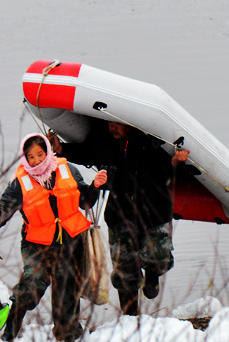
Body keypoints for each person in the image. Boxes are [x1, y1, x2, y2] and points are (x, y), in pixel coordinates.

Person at [48, 120, 189, 316]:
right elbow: (85, 152)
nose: (112, 127)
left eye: (117, 124)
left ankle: (152, 275)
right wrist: (61, 148)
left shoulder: (151, 142)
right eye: (110, 123)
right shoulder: (104, 143)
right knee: (124, 272)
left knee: (159, 260)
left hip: (153, 213)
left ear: (130, 123)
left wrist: (176, 161)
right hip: (120, 215)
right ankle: (130, 315)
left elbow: (168, 169)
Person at [0, 133, 107, 342]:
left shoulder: (68, 170)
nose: (37, 160)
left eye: (40, 154)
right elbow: (4, 207)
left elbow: (85, 201)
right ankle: (10, 330)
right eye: (31, 157)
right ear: (25, 159)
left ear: (48, 152)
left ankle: (67, 337)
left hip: (70, 241)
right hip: (37, 244)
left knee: (67, 289)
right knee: (32, 285)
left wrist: (95, 186)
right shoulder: (20, 183)